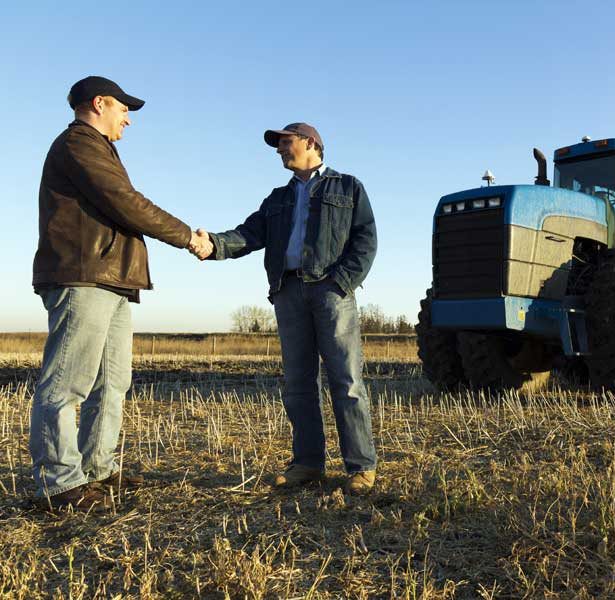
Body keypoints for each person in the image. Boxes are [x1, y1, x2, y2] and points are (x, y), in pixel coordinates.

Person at [31, 76, 212, 512]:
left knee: (112, 382)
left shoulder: (98, 148)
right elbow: (125, 201)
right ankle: (60, 484)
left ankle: (98, 471)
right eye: (123, 108)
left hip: (112, 278)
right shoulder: (79, 144)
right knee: (66, 383)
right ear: (98, 104)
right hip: (83, 275)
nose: (128, 118)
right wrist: (188, 236)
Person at [194, 122, 378, 494]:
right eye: (278, 144)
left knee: (346, 380)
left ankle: (360, 467)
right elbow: (249, 234)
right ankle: (308, 464)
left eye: (285, 142)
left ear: (311, 143)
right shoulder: (277, 198)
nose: (280, 149)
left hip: (332, 292)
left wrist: (340, 282)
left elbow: (366, 239)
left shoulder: (348, 187)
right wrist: (213, 243)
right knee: (298, 384)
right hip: (288, 290)